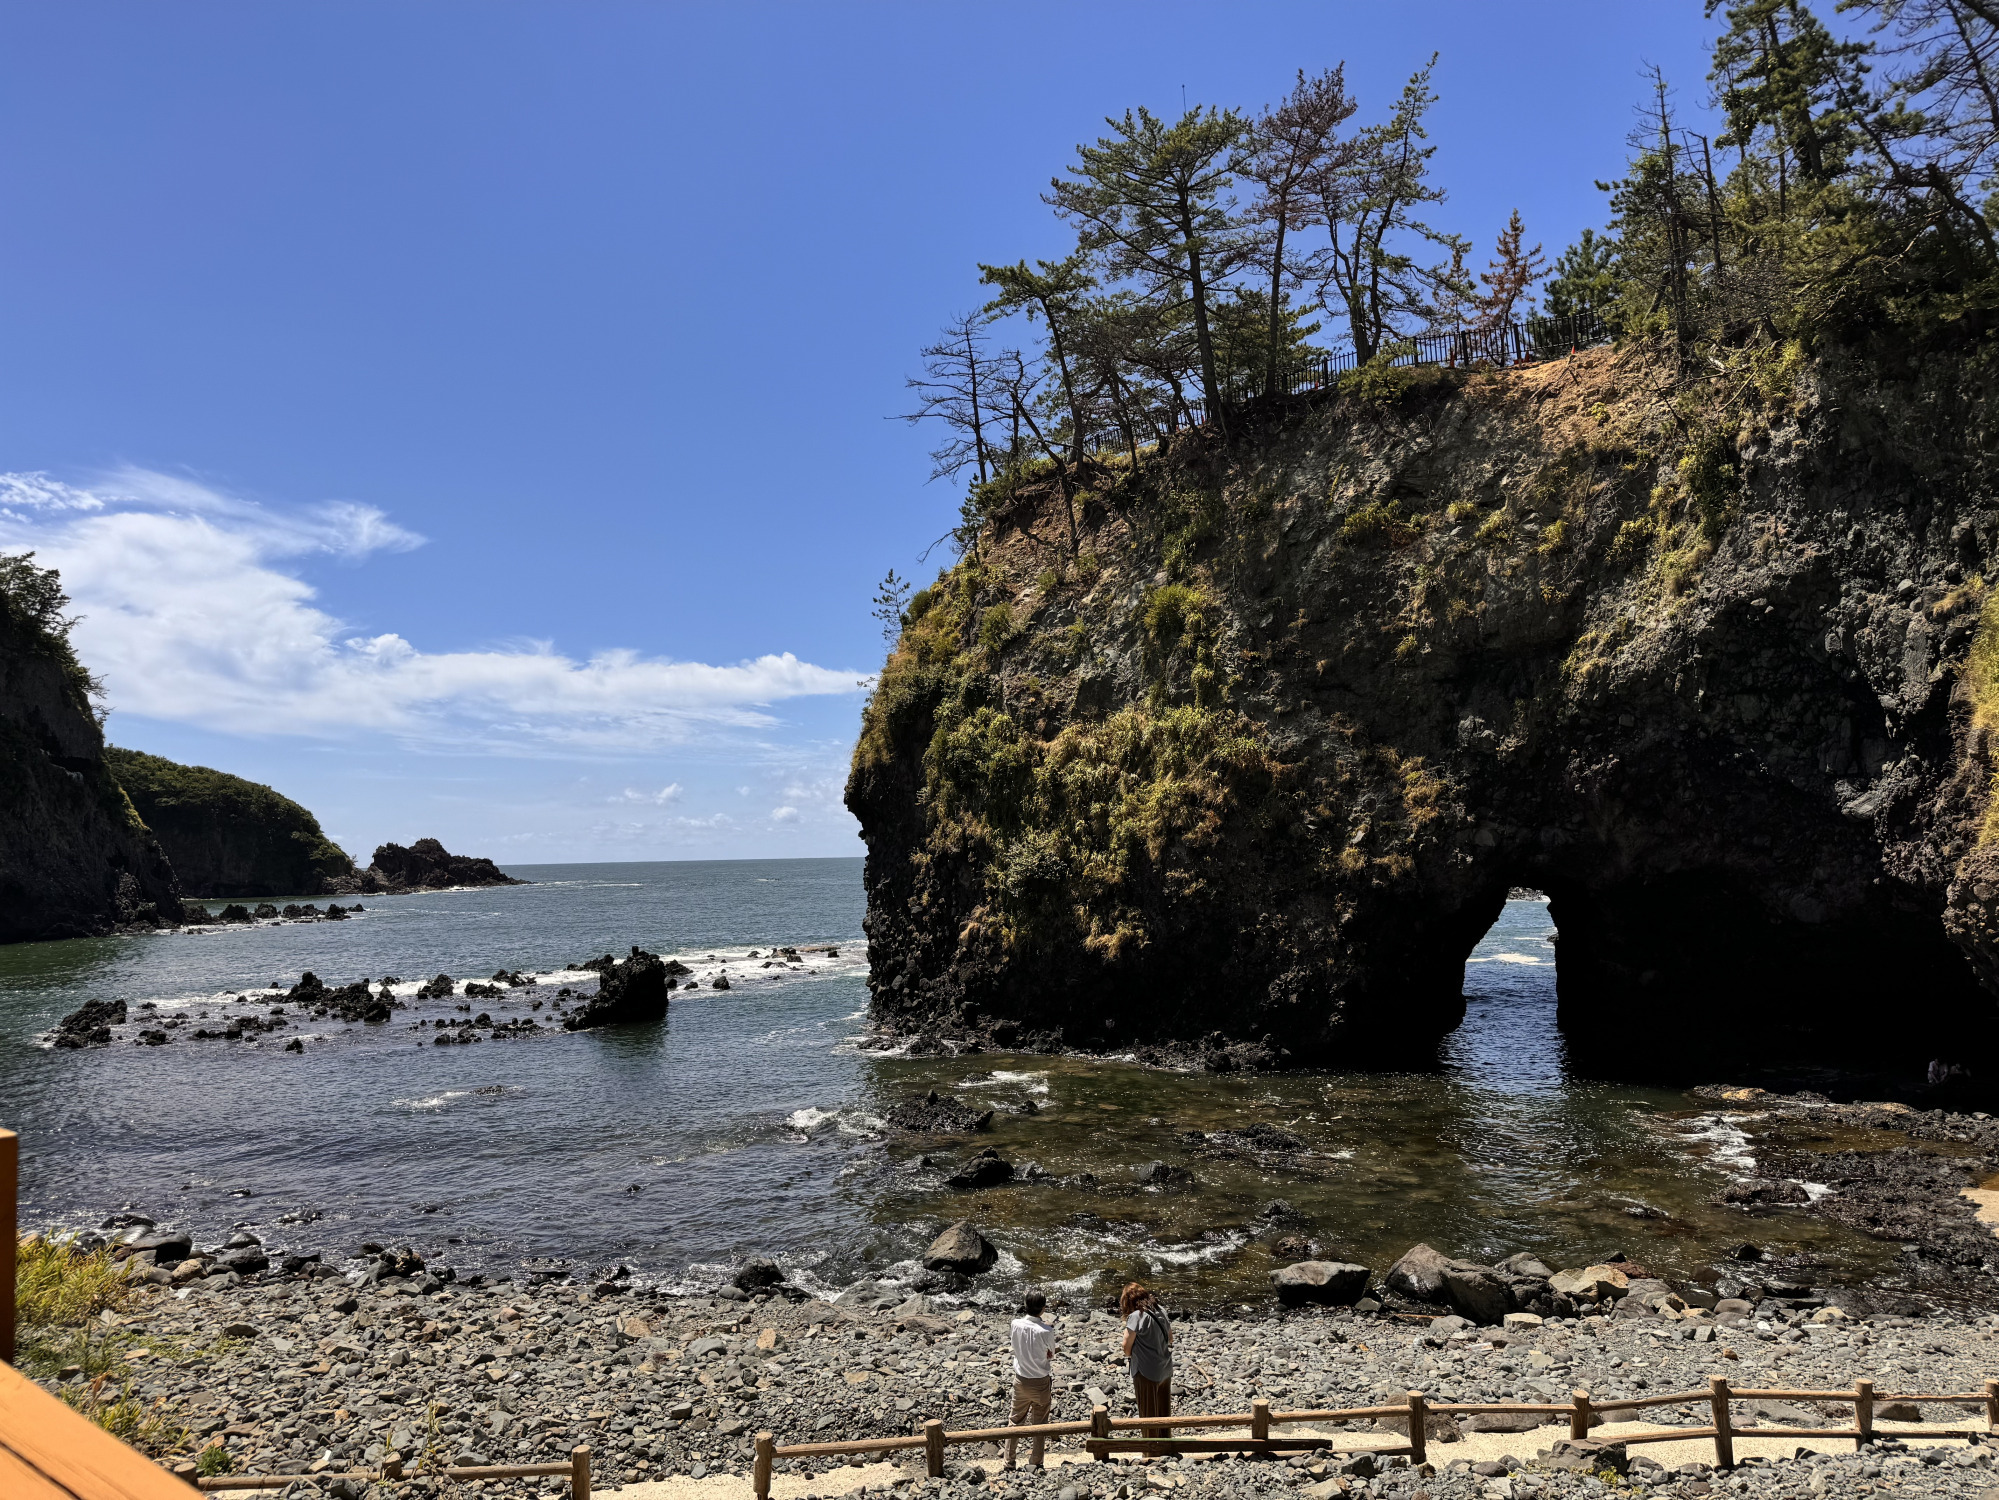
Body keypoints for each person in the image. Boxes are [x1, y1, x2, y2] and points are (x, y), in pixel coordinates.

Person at [1005, 1289, 1058, 1470]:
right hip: (1040, 1381)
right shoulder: (1046, 1330)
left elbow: (1013, 1345)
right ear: (1043, 1309)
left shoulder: (1015, 1324)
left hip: (1020, 1380)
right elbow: (1051, 1355)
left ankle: (1009, 1461)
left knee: (1015, 1420)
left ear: (1025, 1305)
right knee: (1040, 1424)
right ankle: (1035, 1463)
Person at [1120, 1281, 1172, 1451]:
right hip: (1164, 1368)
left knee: (1148, 1413)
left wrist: (1134, 1352)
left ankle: (1150, 1451)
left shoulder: (1136, 1316)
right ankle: (1166, 1446)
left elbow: (1126, 1346)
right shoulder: (1161, 1311)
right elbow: (1170, 1338)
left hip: (1146, 1371)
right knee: (1164, 1411)